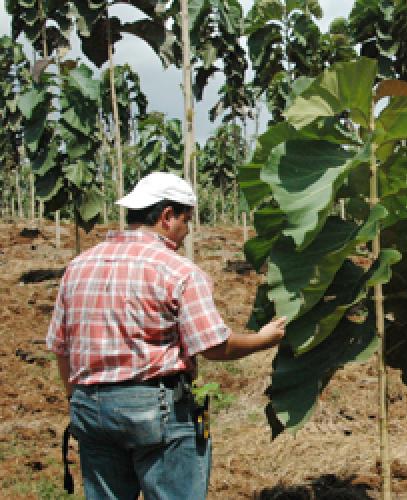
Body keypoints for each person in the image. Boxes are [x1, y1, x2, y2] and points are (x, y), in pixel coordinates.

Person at [46, 172, 286, 499]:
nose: (186, 232)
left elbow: (60, 347)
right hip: (154, 408)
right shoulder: (179, 271)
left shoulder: (78, 266)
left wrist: (75, 397)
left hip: (90, 407)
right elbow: (214, 345)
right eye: (186, 221)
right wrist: (265, 339)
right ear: (166, 216)